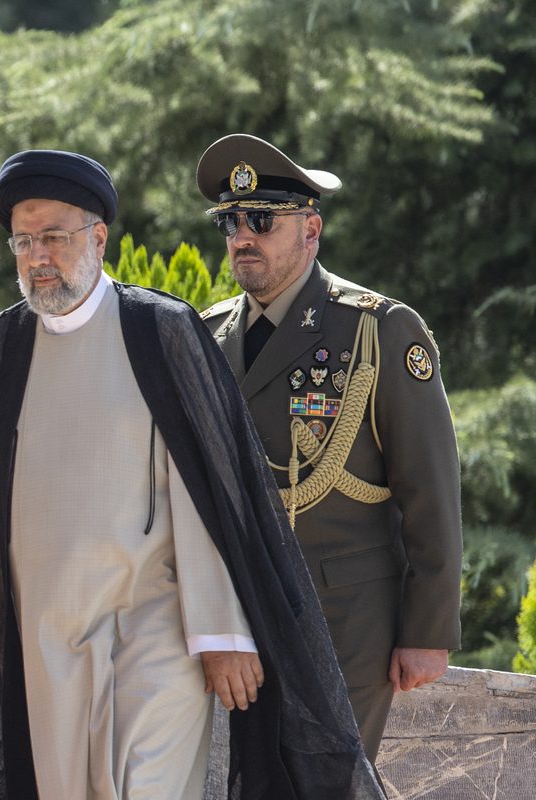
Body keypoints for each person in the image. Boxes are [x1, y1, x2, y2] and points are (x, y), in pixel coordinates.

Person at [0, 149, 384, 799]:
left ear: (98, 237)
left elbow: (209, 490)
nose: (38, 256)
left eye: (54, 237)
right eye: (23, 241)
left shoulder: (160, 330)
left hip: (156, 637)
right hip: (43, 647)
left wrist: (222, 630)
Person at [197, 133, 463, 763]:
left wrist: (427, 630)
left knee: (325, 781)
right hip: (236, 612)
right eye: (230, 221)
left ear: (310, 230)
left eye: (262, 220)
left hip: (346, 612)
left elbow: (430, 487)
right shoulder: (205, 336)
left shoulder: (378, 328)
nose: (242, 236)